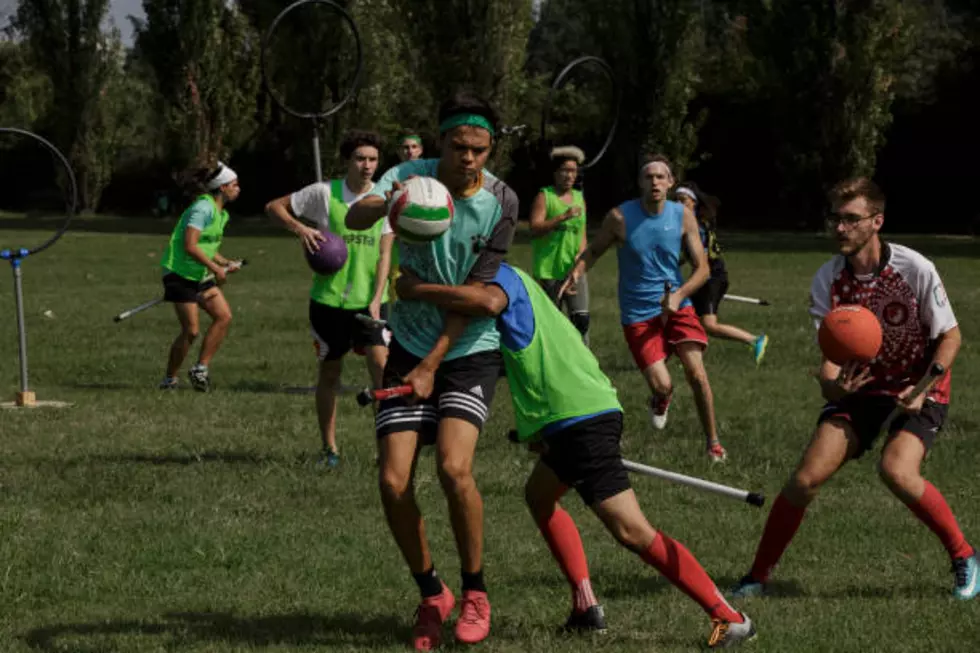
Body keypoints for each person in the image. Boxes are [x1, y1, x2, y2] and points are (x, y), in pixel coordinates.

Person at [396, 261, 757, 649]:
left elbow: (485, 303)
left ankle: (730, 618)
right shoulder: (505, 282)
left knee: (632, 530)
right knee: (539, 496)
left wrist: (417, 289)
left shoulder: (497, 277)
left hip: (582, 417)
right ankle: (586, 607)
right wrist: (537, 429)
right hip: (571, 416)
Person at [730, 178, 978, 601]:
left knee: (896, 470)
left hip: (921, 384)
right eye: (835, 219)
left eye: (851, 219)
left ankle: (965, 556)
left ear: (876, 221)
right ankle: (757, 577)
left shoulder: (914, 268)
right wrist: (834, 387)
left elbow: (951, 337)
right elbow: (829, 368)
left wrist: (921, 389)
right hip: (864, 390)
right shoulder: (827, 280)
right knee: (804, 480)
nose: (840, 228)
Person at [346, 92, 518, 650]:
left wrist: (429, 363)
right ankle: (432, 594)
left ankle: (475, 592)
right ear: (441, 140)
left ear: (490, 149)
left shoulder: (502, 200)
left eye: (480, 150)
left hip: (468, 348)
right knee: (393, 480)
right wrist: (386, 203)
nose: (468, 159)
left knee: (452, 467)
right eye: (458, 146)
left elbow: (475, 297)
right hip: (409, 344)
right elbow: (354, 214)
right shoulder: (409, 176)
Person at [561, 154, 727, 462]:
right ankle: (661, 398)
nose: (655, 182)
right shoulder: (619, 218)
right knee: (663, 384)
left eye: (661, 177)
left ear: (671, 182)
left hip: (678, 306)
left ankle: (713, 443)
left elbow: (702, 269)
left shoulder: (683, 216)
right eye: (648, 177)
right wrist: (576, 273)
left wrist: (679, 296)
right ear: (639, 183)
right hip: (638, 312)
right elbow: (594, 250)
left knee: (697, 374)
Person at [265, 129, 391, 468]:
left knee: (382, 372)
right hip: (328, 302)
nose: (367, 166)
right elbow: (273, 207)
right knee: (330, 375)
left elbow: (385, 253)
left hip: (371, 304)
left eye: (373, 159)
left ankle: (386, 452)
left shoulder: (385, 199)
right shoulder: (324, 193)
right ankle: (329, 449)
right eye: (361, 158)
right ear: (347, 161)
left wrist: (378, 298)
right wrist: (301, 228)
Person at [159, 161, 243, 392]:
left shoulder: (221, 214)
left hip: (199, 273)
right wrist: (216, 270)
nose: (238, 189)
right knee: (191, 330)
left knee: (223, 316)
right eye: (234, 185)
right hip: (179, 273)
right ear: (222, 187)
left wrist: (224, 262)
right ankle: (169, 379)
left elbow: (207, 246)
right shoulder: (203, 209)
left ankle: (200, 369)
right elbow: (190, 245)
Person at [674, 182, 768, 364]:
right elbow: (691, 254)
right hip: (706, 278)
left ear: (693, 203)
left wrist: (689, 284)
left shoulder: (695, 227)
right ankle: (689, 358)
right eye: (675, 200)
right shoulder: (693, 224)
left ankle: (755, 340)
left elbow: (700, 260)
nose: (678, 205)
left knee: (709, 324)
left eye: (683, 200)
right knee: (686, 319)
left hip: (712, 279)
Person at [528, 145, 590, 342]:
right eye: (565, 170)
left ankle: (584, 366)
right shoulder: (545, 196)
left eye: (573, 171)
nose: (569, 175)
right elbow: (535, 228)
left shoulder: (580, 198)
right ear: (555, 173)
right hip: (549, 271)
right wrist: (562, 217)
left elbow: (582, 234)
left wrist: (580, 264)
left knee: (581, 320)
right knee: (550, 324)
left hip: (573, 270)